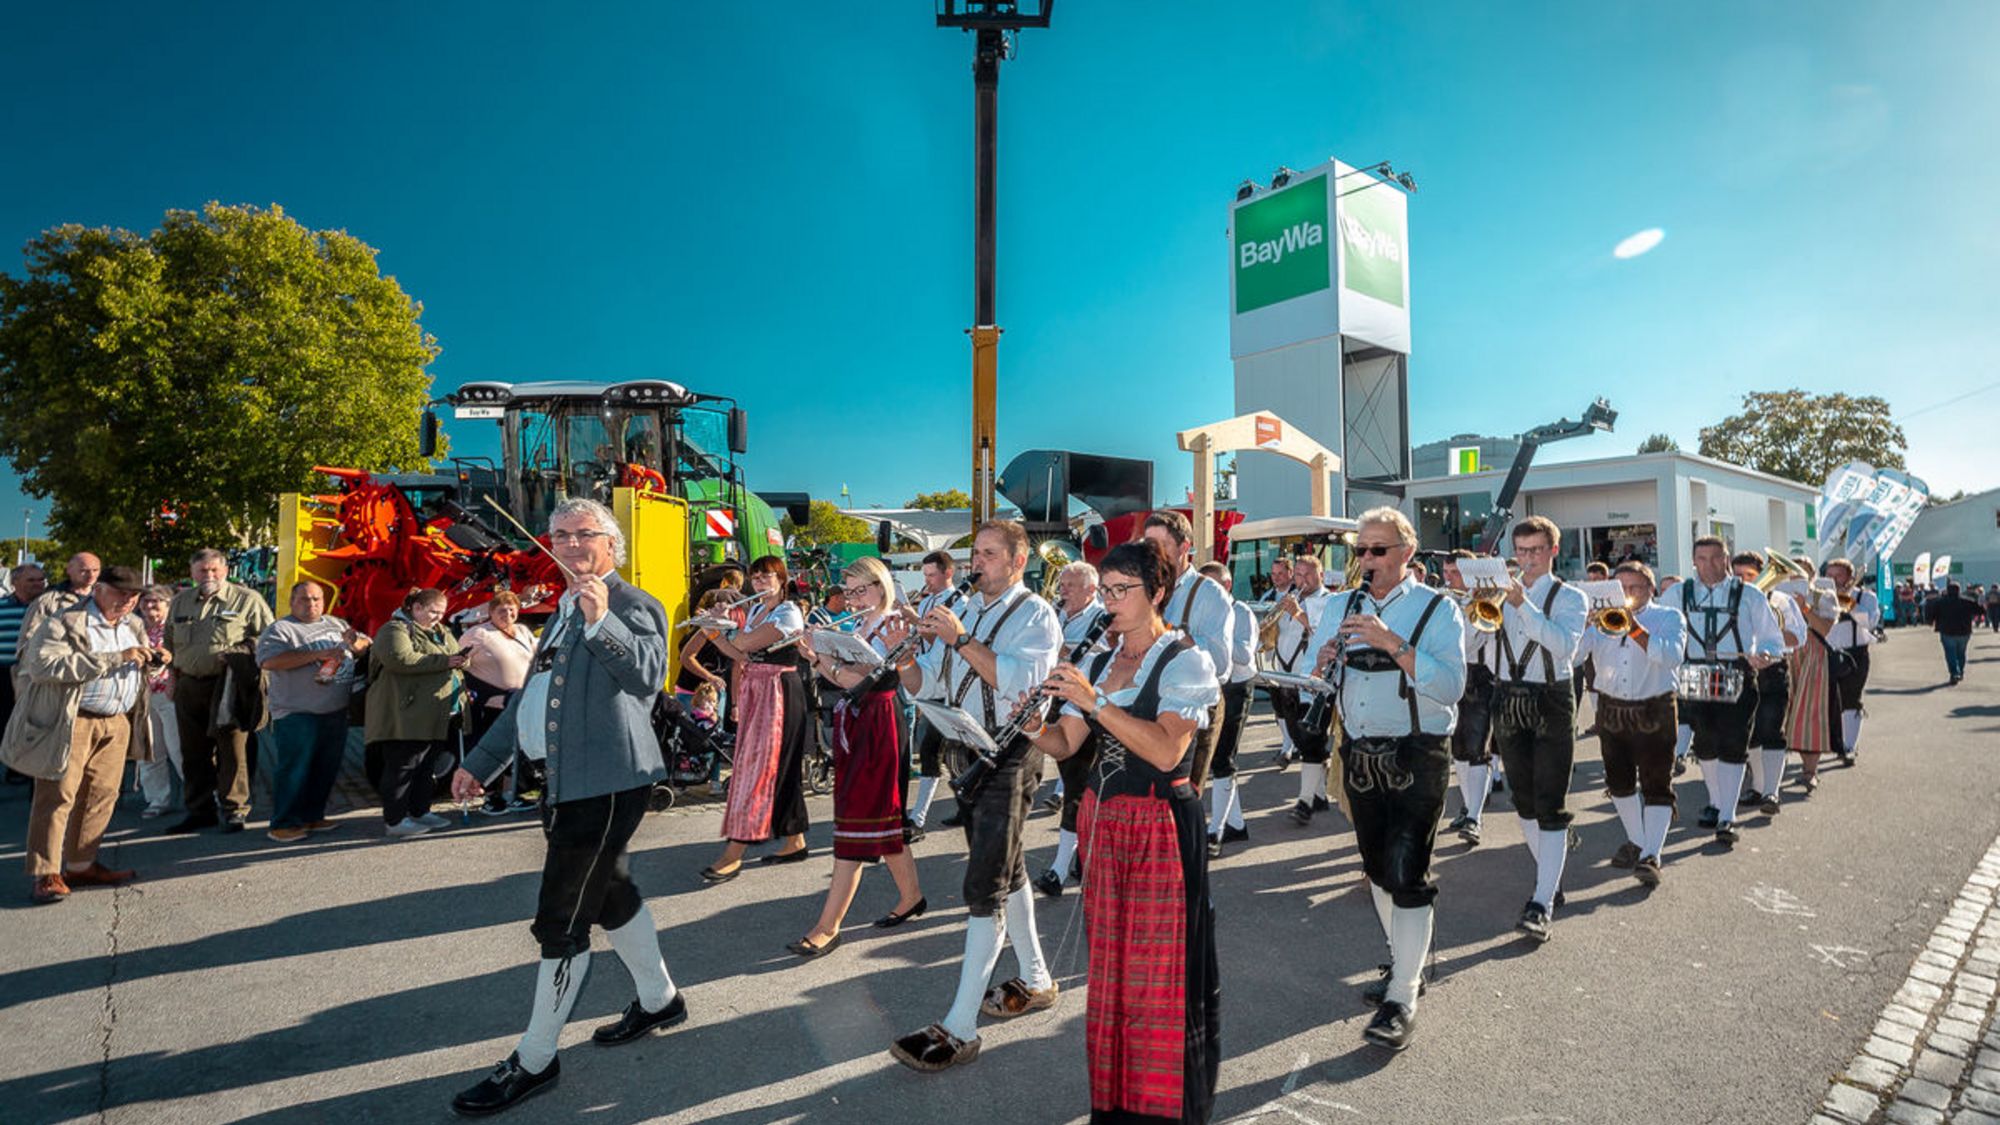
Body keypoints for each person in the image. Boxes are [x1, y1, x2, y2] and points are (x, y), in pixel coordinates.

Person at [447, 498, 685, 1117]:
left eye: (585, 535)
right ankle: (660, 1001)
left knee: (560, 921)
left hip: (608, 785)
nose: (571, 544)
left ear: (613, 545)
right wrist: (480, 763)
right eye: (560, 535)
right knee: (609, 893)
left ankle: (535, 1057)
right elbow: (534, 697)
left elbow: (647, 677)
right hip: (564, 784)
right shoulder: (556, 611)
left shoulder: (634, 604)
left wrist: (603, 620)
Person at [1025, 538, 1223, 1113]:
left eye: (1121, 591)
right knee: (1111, 974)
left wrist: (1095, 703)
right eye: (1105, 591)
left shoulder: (1186, 660)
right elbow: (1066, 743)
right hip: (1107, 823)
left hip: (1160, 823)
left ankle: (1164, 1106)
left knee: (1159, 978)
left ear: (1157, 593)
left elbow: (1165, 752)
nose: (1109, 602)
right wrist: (1023, 721)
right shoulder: (1102, 660)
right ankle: (1118, 1103)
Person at [890, 520, 1062, 1074]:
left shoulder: (1035, 613)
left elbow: (1020, 683)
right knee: (1006, 870)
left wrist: (960, 638)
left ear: (1017, 561)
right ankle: (1036, 979)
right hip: (966, 749)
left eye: (989, 554)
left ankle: (960, 1026)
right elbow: (931, 688)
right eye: (975, 555)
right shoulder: (973, 611)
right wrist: (905, 657)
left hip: (1011, 754)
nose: (976, 564)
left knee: (983, 884)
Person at [1305, 509, 1466, 1050]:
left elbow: (1450, 687)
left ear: (1407, 552)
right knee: (1377, 870)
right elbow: (1314, 681)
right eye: (1360, 551)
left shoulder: (1438, 608)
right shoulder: (1339, 605)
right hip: (1360, 751)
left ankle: (1402, 996)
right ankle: (1407, 966)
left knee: (1409, 871)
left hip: (1418, 751)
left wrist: (1390, 641)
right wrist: (1323, 662)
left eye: (1378, 550)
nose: (1367, 561)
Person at [792, 558, 926, 955]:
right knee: (881, 816)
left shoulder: (890, 627)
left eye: (859, 591)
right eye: (848, 592)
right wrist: (815, 655)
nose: (852, 600)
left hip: (880, 725)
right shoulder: (861, 625)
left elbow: (861, 681)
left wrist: (820, 657)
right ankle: (912, 896)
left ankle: (827, 925)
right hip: (861, 721)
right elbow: (840, 680)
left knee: (858, 818)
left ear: (880, 587)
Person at [3, 566, 159, 904]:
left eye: (134, 596)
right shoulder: (64, 621)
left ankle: (81, 865)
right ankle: (46, 874)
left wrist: (154, 661)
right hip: (72, 719)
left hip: (116, 719)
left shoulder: (133, 624)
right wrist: (114, 658)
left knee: (102, 795)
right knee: (57, 796)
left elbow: (136, 661)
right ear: (99, 590)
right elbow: (42, 666)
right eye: (121, 594)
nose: (129, 602)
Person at [1488, 517, 1589, 943]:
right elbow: (1477, 647)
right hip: (1506, 696)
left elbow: (1563, 646)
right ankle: (1552, 872)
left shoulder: (1572, 597)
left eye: (1534, 551)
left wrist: (1520, 604)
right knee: (1523, 799)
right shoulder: (1499, 593)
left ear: (1552, 551)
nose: (1526, 559)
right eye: (1521, 551)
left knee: (1549, 801)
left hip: (1550, 698)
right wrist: (1476, 612)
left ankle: (1541, 901)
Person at [701, 555, 811, 879]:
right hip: (757, 690)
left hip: (779, 691)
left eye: (767, 576)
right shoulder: (756, 610)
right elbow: (739, 653)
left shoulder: (788, 612)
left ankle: (735, 851)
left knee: (757, 770)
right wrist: (712, 633)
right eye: (756, 577)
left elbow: (748, 642)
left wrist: (725, 625)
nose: (760, 582)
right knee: (780, 771)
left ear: (782, 579)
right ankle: (795, 840)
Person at [1577, 563, 1684, 885]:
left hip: (1655, 708)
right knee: (1619, 783)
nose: (1626, 596)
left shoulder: (1668, 618)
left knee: (1656, 784)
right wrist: (1582, 627)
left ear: (1651, 590)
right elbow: (1571, 659)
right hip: (1611, 709)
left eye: (1634, 588)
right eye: (1620, 589)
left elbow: (1671, 656)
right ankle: (1639, 840)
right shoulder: (1600, 622)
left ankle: (1652, 854)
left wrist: (1634, 627)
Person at [1675, 540, 1786, 843]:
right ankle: (1717, 802)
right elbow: (1666, 631)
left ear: (1726, 559)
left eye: (1715, 558)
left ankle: (1727, 816)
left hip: (1736, 672)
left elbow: (1772, 640)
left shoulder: (1749, 594)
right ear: (1693, 560)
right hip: (1694, 674)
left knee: (1734, 743)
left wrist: (1764, 654)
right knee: (1706, 744)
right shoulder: (1678, 593)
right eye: (1701, 558)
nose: (1709, 565)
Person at [164, 548, 275, 834]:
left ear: (226, 571)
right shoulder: (180, 603)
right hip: (189, 685)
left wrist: (240, 650)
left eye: (214, 570)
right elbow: (169, 644)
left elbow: (269, 638)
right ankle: (200, 810)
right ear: (192, 572)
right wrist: (172, 679)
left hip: (229, 684)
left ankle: (234, 809)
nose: (208, 575)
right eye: (202, 571)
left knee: (233, 750)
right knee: (193, 752)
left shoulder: (247, 599)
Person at [256, 580, 369, 842]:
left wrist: (358, 643)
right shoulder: (281, 629)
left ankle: (312, 816)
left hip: (335, 710)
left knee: (325, 768)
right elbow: (269, 661)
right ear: (292, 601)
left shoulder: (336, 624)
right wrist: (315, 656)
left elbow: (364, 648)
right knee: (294, 769)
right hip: (297, 712)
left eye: (317, 599)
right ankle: (283, 823)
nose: (312, 604)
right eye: (305, 599)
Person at [1141, 511, 1236, 789]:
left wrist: (1168, 634)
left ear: (1184, 548)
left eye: (1162, 546)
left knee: (1181, 800)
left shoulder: (1209, 594)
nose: (1152, 554)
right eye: (1148, 546)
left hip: (1191, 708)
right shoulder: (1143, 587)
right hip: (1147, 702)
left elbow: (1220, 665)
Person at [367, 588, 468, 838]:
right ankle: (395, 820)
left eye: (442, 613)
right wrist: (446, 662)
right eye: (433, 611)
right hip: (405, 714)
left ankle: (420, 811)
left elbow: (454, 654)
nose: (438, 617)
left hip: (434, 713)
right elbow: (400, 658)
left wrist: (463, 661)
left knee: (426, 766)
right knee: (402, 767)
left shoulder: (440, 632)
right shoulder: (394, 630)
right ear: (416, 608)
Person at [1038, 560, 1106, 893]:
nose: (1062, 590)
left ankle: (1059, 869)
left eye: (1070, 586)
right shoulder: (1058, 613)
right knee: (1073, 783)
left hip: (1085, 714)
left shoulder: (1104, 618)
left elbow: (1109, 660)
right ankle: (1082, 859)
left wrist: (1068, 652)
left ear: (1091, 590)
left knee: (1077, 788)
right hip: (1056, 707)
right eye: (1061, 584)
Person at [907, 550, 969, 836]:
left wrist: (910, 617)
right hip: (929, 679)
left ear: (948, 573)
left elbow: (937, 636)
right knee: (939, 750)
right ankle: (965, 809)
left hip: (947, 685)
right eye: (925, 576)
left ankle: (918, 818)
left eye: (932, 575)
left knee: (935, 748)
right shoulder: (929, 600)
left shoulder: (961, 602)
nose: (927, 581)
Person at [459, 591, 539, 814]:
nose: (508, 613)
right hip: (492, 704)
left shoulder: (523, 631)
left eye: (512, 608)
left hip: (520, 701)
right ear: (491, 612)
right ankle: (490, 796)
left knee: (515, 751)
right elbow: (459, 661)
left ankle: (510, 793)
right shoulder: (480, 633)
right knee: (492, 749)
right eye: (501, 610)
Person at [1197, 560, 1256, 859]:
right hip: (1212, 687)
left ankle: (1215, 832)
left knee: (1223, 759)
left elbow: (1245, 654)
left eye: (1212, 586)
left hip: (1236, 687)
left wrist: (1215, 636)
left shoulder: (1241, 612)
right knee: (1214, 756)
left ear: (1227, 586)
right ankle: (1235, 823)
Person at [1442, 550, 1497, 846]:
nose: (1449, 579)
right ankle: (1468, 806)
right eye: (1447, 573)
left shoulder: (1486, 601)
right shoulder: (1446, 600)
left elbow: (1469, 641)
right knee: (1458, 748)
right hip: (1451, 673)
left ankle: (1475, 816)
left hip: (1479, 676)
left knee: (1477, 747)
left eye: (1455, 574)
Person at [1271, 555, 1332, 817]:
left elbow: (1326, 636)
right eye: (1298, 575)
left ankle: (1305, 802)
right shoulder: (1288, 598)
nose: (1302, 580)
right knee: (1300, 738)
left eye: (1308, 574)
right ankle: (1318, 795)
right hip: (1287, 679)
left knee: (1310, 740)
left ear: (1321, 575)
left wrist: (1298, 614)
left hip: (1314, 682)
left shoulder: (1329, 601)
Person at [1784, 580, 1843, 791]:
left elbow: (1825, 629)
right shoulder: (1779, 594)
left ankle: (1810, 772)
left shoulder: (1823, 597)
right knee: (1782, 713)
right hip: (1786, 655)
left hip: (1813, 658)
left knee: (1810, 714)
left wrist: (1804, 608)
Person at [1823, 560, 1878, 764]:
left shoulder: (1866, 597)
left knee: (1850, 699)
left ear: (1849, 577)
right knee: (1828, 702)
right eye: (1829, 575)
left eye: (1838, 576)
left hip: (1855, 654)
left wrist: (1848, 601)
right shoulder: (1822, 595)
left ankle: (1849, 746)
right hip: (1827, 653)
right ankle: (1833, 742)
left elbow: (1870, 622)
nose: (1833, 580)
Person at [133, 586, 180, 815]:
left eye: (156, 602)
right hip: (142, 696)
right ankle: (157, 800)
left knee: (178, 749)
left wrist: (173, 679)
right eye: (145, 602)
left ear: (167, 604)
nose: (150, 607)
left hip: (169, 695)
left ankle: (202, 798)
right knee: (149, 751)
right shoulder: (133, 628)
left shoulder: (174, 629)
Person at [1934, 583, 1978, 684]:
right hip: (1964, 631)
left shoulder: (1940, 602)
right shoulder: (1967, 601)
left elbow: (1932, 614)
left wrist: (1930, 620)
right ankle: (1960, 671)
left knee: (1950, 653)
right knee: (1961, 653)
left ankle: (1954, 673)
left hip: (1947, 631)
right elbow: (1979, 611)